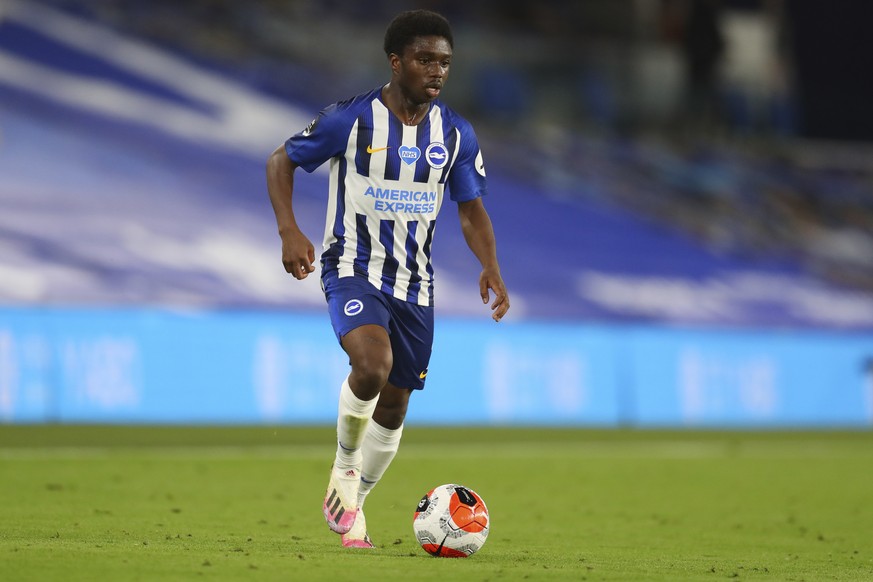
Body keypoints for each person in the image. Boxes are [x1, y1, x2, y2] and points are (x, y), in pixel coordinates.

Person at [265, 9, 510, 549]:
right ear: (396, 63)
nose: (437, 71)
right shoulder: (351, 120)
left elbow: (470, 210)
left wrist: (489, 265)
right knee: (372, 366)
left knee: (395, 407)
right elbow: (281, 160)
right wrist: (289, 230)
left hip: (415, 287)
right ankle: (345, 467)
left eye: (444, 62)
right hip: (352, 269)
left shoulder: (456, 134)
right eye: (425, 60)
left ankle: (352, 503)